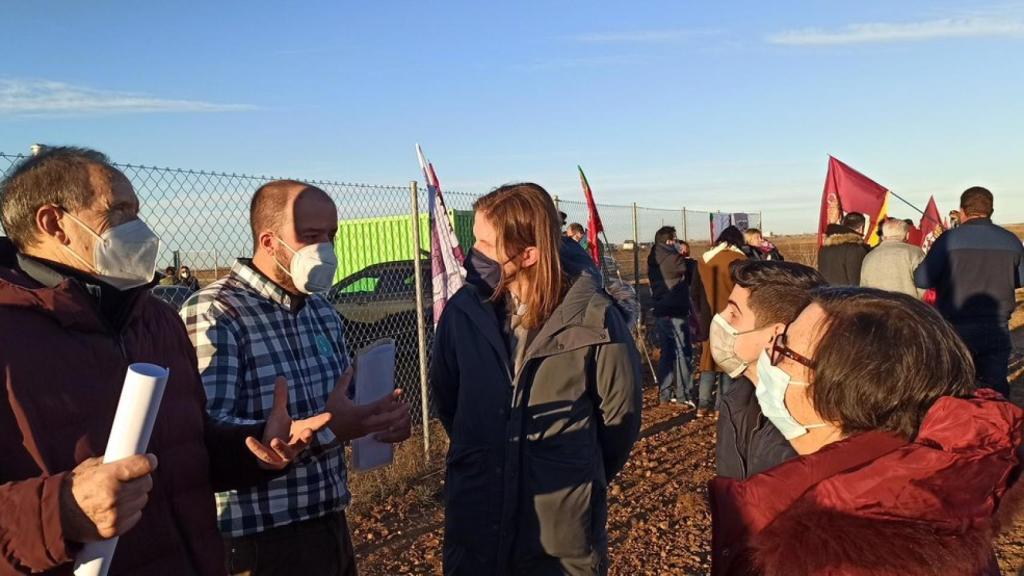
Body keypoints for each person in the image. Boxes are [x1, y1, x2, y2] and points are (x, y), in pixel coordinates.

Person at [0, 147, 329, 575]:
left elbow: (187, 448)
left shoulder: (157, 320)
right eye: (119, 211)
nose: (139, 228)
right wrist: (59, 512)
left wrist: (252, 448)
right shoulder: (10, 335)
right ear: (53, 223)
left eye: (137, 211)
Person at [181, 179, 411, 576]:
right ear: (269, 242)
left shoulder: (321, 312)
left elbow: (341, 405)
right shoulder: (215, 312)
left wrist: (378, 419)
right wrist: (329, 431)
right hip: (258, 542)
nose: (326, 248)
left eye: (331, 235)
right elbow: (205, 434)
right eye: (311, 236)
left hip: (330, 522)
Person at [710, 287, 1024, 576]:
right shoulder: (933, 492)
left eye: (784, 347)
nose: (768, 354)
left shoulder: (826, 553)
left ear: (841, 393)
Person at [430, 183, 642, 576]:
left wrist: (568, 470)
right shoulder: (462, 313)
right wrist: (488, 451)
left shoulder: (596, 320)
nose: (473, 253)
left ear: (528, 254)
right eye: (474, 239)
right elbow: (449, 401)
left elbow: (619, 422)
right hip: (476, 520)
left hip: (559, 537)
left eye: (486, 244)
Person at [710, 260, 826, 480]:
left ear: (774, 336)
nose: (720, 319)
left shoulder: (810, 432)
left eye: (733, 314)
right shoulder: (737, 399)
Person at [914, 187, 1024, 398]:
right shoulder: (1011, 240)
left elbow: (922, 279)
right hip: (997, 328)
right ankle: (996, 417)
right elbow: (1020, 279)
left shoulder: (947, 240)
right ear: (991, 211)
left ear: (962, 211)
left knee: (957, 388)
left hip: (955, 328)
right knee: (995, 389)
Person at [695, 226, 748, 417]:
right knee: (728, 364)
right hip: (732, 318)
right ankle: (721, 407)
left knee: (708, 362)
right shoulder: (741, 260)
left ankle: (702, 405)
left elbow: (694, 291)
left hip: (708, 318)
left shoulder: (704, 260)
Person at [647, 226, 694, 407]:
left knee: (667, 353)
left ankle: (665, 394)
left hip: (661, 310)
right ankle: (683, 394)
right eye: (674, 239)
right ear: (668, 241)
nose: (676, 242)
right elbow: (687, 268)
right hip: (676, 310)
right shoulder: (671, 257)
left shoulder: (654, 256)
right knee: (683, 352)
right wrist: (683, 255)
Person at [859, 217, 926, 298]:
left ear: (883, 235)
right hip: (907, 304)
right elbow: (924, 283)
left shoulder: (869, 255)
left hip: (876, 304)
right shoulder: (915, 253)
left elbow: (863, 288)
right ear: (907, 235)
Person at [817, 212, 870, 286]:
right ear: (861, 228)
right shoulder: (855, 250)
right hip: (847, 293)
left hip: (827, 292)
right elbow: (857, 284)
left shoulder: (824, 249)